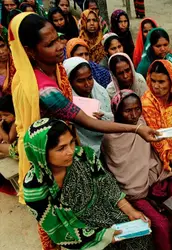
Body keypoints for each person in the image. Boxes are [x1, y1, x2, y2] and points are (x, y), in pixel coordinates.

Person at [9, 12, 159, 204]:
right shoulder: (43, 89)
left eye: (58, 40)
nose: (59, 48)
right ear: (29, 51)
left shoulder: (57, 69)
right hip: (52, 158)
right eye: (49, 44)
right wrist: (136, 129)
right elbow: (87, 121)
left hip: (67, 145)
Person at [23, 118, 153, 249]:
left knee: (140, 238)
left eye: (72, 142)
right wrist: (102, 237)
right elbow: (58, 230)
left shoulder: (84, 156)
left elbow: (108, 186)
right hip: (74, 231)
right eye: (61, 148)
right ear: (41, 153)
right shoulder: (34, 189)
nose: (71, 151)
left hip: (105, 213)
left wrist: (130, 211)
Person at [102, 89, 172, 250]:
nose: (134, 114)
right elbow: (121, 169)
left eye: (138, 109)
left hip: (153, 176)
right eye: (128, 110)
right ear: (117, 111)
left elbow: (149, 156)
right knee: (161, 224)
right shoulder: (110, 137)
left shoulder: (141, 124)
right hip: (132, 189)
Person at [64, 57, 113, 156]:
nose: (87, 84)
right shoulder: (67, 104)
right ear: (69, 82)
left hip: (109, 145)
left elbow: (113, 119)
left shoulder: (101, 92)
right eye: (80, 81)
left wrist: (104, 116)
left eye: (90, 78)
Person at [0, 95, 18, 160]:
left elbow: (9, 140)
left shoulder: (16, 122)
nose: (3, 118)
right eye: (1, 115)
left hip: (17, 150)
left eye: (6, 115)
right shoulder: (6, 122)